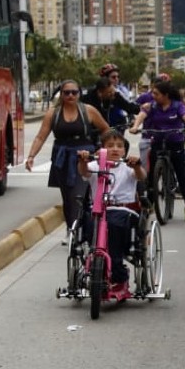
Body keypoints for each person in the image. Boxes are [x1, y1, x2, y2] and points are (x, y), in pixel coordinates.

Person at [25, 80, 110, 237]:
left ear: (79, 94)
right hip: (62, 159)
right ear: (61, 94)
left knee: (78, 194)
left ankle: (82, 230)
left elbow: (106, 130)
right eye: (66, 93)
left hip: (84, 157)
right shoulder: (53, 113)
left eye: (74, 92)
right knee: (67, 197)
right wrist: (31, 156)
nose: (70, 95)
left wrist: (102, 150)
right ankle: (72, 229)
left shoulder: (88, 111)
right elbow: (40, 137)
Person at [76, 129, 146, 298]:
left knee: (113, 228)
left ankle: (119, 277)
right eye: (110, 146)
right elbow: (84, 172)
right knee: (89, 224)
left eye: (119, 146)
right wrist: (83, 160)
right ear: (102, 149)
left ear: (125, 150)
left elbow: (141, 176)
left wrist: (137, 165)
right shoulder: (96, 166)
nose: (115, 149)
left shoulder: (127, 167)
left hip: (123, 210)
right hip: (100, 210)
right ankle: (94, 266)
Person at [130, 78, 185, 222]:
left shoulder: (177, 105)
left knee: (181, 175)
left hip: (176, 142)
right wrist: (136, 126)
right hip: (158, 142)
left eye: (156, 94)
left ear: (166, 95)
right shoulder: (152, 106)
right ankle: (150, 205)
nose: (153, 96)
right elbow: (142, 115)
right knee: (151, 174)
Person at [82, 66, 140, 132]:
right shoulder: (88, 95)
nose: (116, 79)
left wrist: (140, 110)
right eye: (113, 77)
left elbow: (127, 106)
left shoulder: (117, 93)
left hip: (115, 128)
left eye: (118, 77)